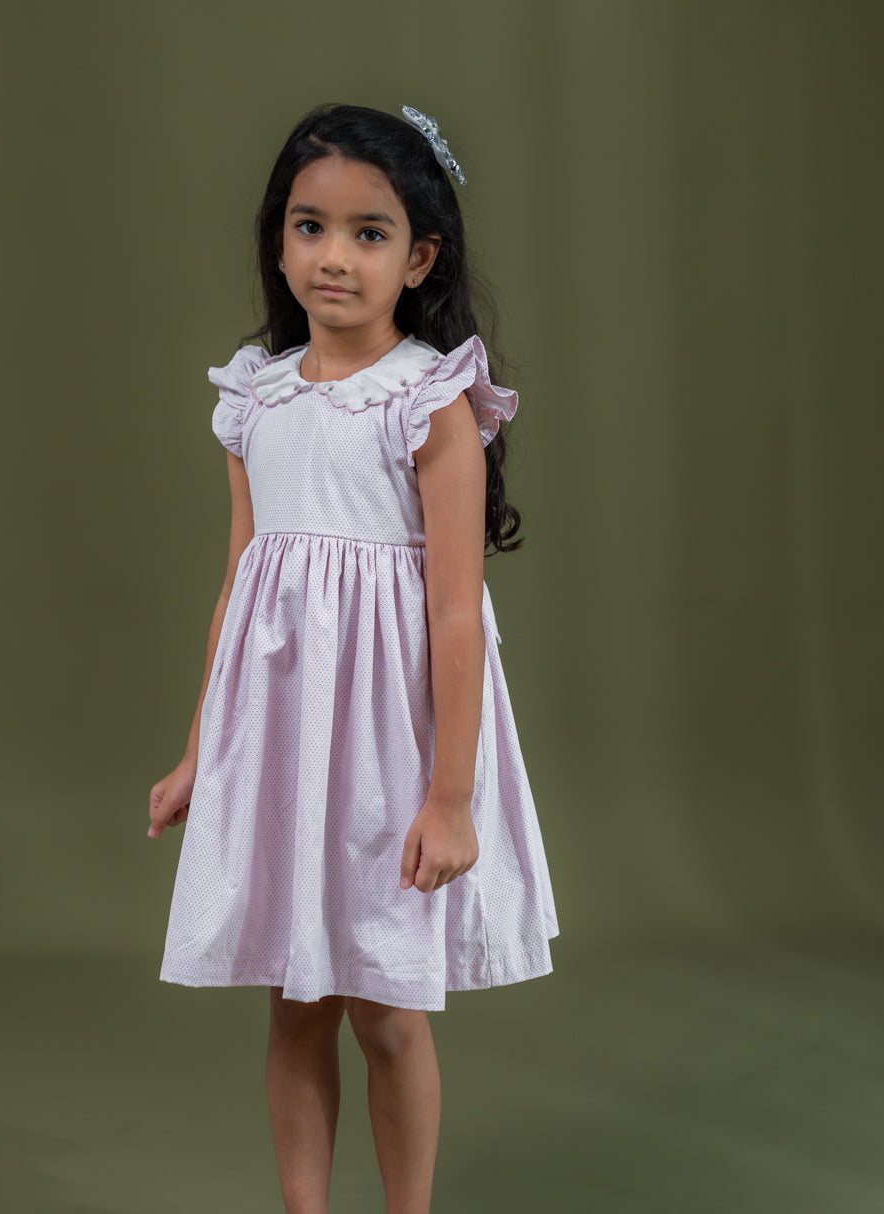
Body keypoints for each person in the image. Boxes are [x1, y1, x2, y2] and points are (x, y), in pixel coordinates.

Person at [147, 102, 558, 1214]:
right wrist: (199, 755)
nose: (333, 257)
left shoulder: (428, 403)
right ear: (278, 242)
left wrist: (449, 795)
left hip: (385, 745)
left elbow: (457, 615)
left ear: (418, 256)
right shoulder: (255, 399)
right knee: (292, 996)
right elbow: (239, 591)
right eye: (310, 226)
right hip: (282, 736)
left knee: (383, 1006)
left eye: (368, 232)